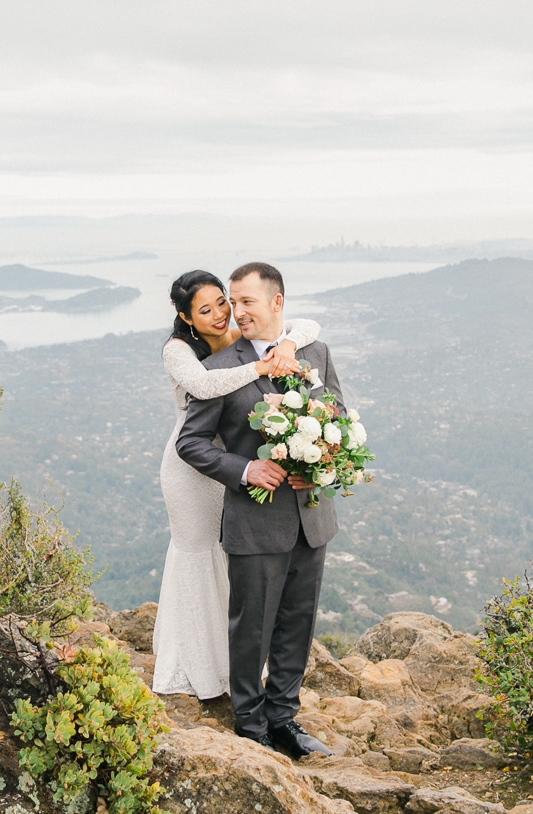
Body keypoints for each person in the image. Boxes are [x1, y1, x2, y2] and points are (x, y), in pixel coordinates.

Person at [176, 262, 340, 757]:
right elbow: (192, 442)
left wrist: (321, 465)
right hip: (255, 517)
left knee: (297, 621)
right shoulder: (220, 370)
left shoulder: (314, 352)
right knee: (252, 627)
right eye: (232, 301)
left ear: (277, 303)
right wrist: (248, 470)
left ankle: (284, 719)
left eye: (246, 302)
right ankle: (250, 724)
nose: (236, 312)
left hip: (311, 516)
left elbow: (338, 416)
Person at [151, 269, 322, 700]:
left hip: (233, 459)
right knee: (197, 555)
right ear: (185, 316)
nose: (220, 314)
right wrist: (262, 365)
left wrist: (285, 344)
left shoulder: (234, 339)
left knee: (229, 562)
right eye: (205, 310)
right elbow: (206, 385)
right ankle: (195, 668)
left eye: (223, 303)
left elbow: (307, 327)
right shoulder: (180, 351)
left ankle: (232, 668)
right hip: (192, 471)